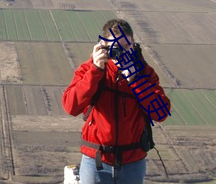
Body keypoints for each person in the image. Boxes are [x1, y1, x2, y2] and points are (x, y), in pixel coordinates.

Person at [62, 19, 171, 184]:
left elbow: (161, 113)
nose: (122, 53)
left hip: (132, 161)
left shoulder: (144, 73)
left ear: (133, 45)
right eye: (116, 47)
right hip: (97, 160)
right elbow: (71, 106)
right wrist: (96, 70)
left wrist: (136, 81)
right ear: (104, 45)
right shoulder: (90, 69)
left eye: (127, 47)